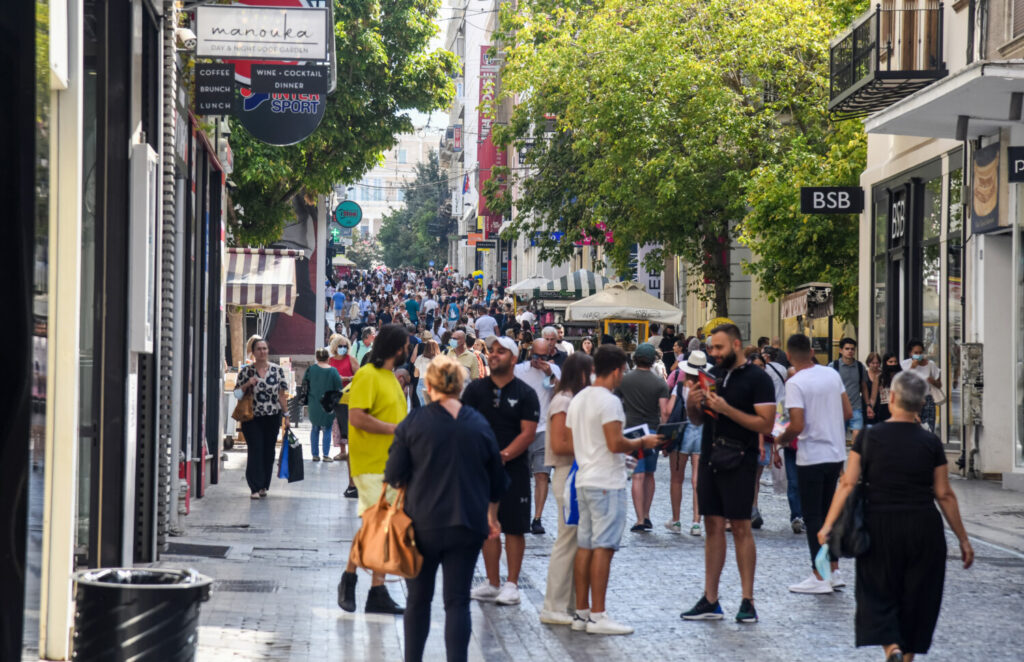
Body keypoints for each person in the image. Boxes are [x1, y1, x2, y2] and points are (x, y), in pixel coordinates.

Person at [819, 371, 974, 662]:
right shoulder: (931, 444)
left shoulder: (868, 437)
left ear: (891, 399)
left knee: (877, 590)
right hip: (923, 527)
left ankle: (891, 647)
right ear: (920, 404)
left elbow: (848, 483)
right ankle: (906, 656)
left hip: (879, 525)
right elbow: (944, 494)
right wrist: (963, 540)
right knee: (919, 595)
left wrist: (828, 525)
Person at [385, 354, 507, 662]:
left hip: (421, 523)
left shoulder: (415, 422)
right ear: (462, 385)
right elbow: (497, 480)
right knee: (457, 602)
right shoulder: (478, 424)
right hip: (466, 523)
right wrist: (492, 516)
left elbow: (394, 475)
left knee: (418, 601)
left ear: (428, 385)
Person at [681, 323, 775, 624]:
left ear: (736, 345)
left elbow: (766, 424)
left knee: (741, 527)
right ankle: (711, 598)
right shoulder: (713, 375)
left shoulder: (758, 379)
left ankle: (748, 600)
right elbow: (698, 420)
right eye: (711, 348)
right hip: (711, 458)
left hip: (740, 460)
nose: (713, 353)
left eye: (718, 348)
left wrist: (727, 409)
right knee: (712, 525)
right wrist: (693, 405)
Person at [568, 345, 663, 635]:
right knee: (604, 548)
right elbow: (614, 443)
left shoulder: (580, 398)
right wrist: (642, 443)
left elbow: (577, 438)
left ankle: (582, 612)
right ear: (618, 370)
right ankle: (598, 615)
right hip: (606, 481)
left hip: (584, 477)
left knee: (585, 547)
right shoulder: (609, 402)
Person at [337, 325, 409, 615]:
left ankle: (374, 589)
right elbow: (356, 418)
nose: (407, 350)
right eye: (404, 345)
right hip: (370, 465)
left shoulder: (391, 378)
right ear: (395, 348)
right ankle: (352, 579)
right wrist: (396, 429)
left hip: (392, 465)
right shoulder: (366, 375)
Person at [463, 335, 541, 606]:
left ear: (513, 358)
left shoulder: (525, 393)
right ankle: (492, 582)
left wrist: (504, 455)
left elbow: (528, 434)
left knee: (515, 527)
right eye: (492, 351)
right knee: (487, 526)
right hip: (481, 469)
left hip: (514, 470)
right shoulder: (474, 391)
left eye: (501, 352)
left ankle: (512, 584)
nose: (494, 355)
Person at [774, 334, 852, 594]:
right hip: (835, 453)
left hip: (812, 455)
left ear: (788, 355)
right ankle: (835, 569)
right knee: (831, 514)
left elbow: (796, 424)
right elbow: (848, 412)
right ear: (810, 351)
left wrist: (781, 439)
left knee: (813, 516)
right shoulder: (831, 374)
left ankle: (819, 576)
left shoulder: (796, 383)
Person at [538, 352, 593, 626]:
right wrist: (594, 444)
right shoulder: (563, 401)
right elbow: (560, 444)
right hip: (566, 473)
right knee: (567, 541)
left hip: (575, 473)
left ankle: (569, 603)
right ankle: (555, 605)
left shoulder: (571, 400)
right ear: (581, 374)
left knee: (574, 541)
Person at [616, 343, 669, 533]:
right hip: (653, 432)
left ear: (635, 359)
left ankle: (638, 519)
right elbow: (664, 413)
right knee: (649, 475)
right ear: (653, 360)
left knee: (636, 476)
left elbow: (616, 402)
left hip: (632, 432)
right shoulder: (660, 383)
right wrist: (665, 439)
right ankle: (647, 515)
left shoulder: (624, 380)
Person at [513, 339, 561, 535]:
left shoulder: (555, 370)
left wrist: (549, 374)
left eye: (542, 357)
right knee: (520, 475)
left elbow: (560, 393)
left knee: (542, 474)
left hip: (543, 429)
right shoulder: (519, 370)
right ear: (530, 352)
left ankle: (537, 518)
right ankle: (521, 514)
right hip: (521, 429)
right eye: (535, 356)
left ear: (549, 355)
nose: (538, 360)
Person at [234, 339, 289, 499]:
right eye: (259, 349)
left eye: (265, 348)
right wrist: (246, 385)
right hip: (252, 418)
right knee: (255, 449)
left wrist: (286, 415)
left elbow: (281, 395)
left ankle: (264, 484)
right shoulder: (246, 372)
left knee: (268, 451)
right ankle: (254, 487)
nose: (262, 351)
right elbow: (237, 394)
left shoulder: (277, 370)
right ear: (253, 352)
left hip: (272, 417)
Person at [664, 350, 707, 536]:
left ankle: (676, 520)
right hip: (702, 434)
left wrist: (665, 439)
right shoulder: (707, 388)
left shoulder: (680, 387)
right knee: (698, 480)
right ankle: (696, 523)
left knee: (676, 479)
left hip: (681, 434)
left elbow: (668, 411)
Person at [304, 347, 343, 462]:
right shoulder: (333, 371)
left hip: (314, 403)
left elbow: (305, 385)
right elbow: (338, 387)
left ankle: (315, 455)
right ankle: (326, 455)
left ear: (317, 357)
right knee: (328, 428)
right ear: (328, 358)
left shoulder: (310, 370)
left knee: (315, 428)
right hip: (328, 404)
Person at [831, 337, 871, 445]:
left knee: (857, 435)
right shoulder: (833, 366)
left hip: (856, 407)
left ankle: (854, 457)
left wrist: (868, 404)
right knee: (839, 437)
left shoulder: (859, 366)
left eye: (852, 349)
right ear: (841, 350)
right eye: (847, 349)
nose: (850, 351)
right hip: (839, 408)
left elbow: (864, 386)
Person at [900, 339, 943, 434]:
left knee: (928, 428)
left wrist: (933, 381)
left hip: (927, 400)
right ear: (910, 353)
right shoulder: (904, 364)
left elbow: (939, 385)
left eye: (920, 352)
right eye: (916, 352)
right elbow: (903, 382)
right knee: (912, 429)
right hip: (912, 400)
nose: (918, 355)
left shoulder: (930, 365)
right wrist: (912, 367)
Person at [871, 353, 901, 423]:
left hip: (899, 407)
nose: (893, 364)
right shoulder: (879, 377)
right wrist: (871, 409)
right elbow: (873, 397)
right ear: (885, 363)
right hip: (884, 408)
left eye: (895, 362)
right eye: (890, 362)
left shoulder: (901, 376)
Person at [412, 339, 440, 407]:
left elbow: (415, 375)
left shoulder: (420, 358)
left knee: (424, 408)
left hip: (421, 384)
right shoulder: (439, 359)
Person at [864, 352, 882, 426]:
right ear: (868, 363)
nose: (875, 365)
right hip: (866, 404)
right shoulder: (864, 374)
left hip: (880, 405)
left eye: (877, 363)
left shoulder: (883, 374)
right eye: (872, 363)